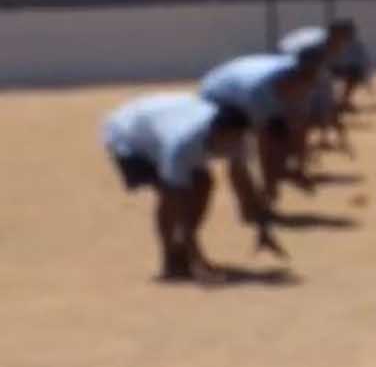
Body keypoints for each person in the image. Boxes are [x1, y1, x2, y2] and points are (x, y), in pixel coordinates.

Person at [102, 93, 283, 281]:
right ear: (217, 132)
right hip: (129, 136)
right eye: (229, 140)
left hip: (162, 119)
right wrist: (198, 260)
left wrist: (263, 228)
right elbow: (176, 200)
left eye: (238, 139)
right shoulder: (181, 144)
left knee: (204, 183)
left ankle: (183, 250)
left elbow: (244, 181)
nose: (233, 146)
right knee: (171, 196)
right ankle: (171, 260)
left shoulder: (239, 140)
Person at [198, 47, 327, 206]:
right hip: (220, 93)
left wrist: (298, 168)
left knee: (280, 139)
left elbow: (298, 129)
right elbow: (263, 145)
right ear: (290, 81)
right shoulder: (258, 94)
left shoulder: (305, 84)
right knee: (238, 150)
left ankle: (268, 191)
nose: (305, 92)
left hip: (248, 78)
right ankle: (249, 206)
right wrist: (276, 179)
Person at [278, 20, 359, 155]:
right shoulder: (319, 44)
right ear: (337, 33)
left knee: (322, 105)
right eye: (346, 35)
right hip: (296, 70)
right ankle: (297, 145)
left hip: (306, 70)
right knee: (307, 108)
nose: (348, 39)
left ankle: (321, 139)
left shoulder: (323, 39)